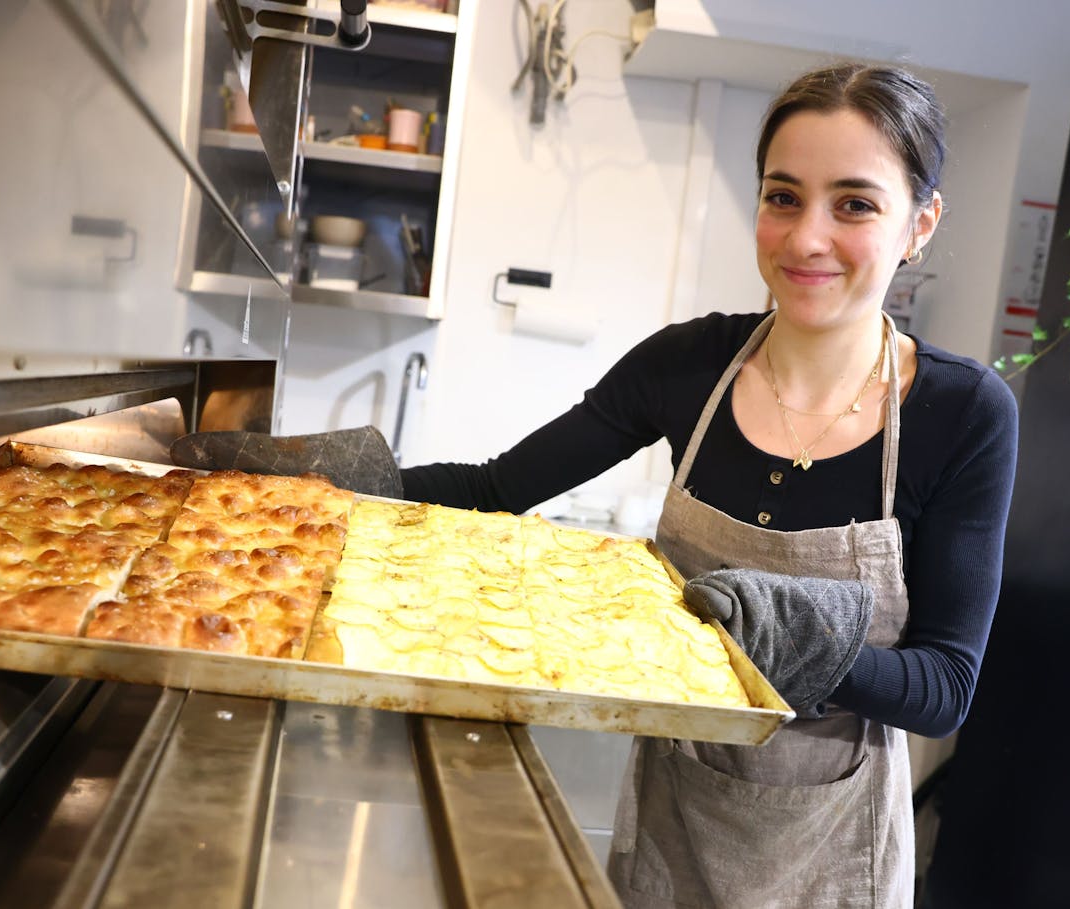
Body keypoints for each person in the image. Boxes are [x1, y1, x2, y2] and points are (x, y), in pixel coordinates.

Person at [401, 62, 1018, 909]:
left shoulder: (963, 411)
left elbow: (944, 687)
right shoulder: (686, 364)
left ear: (920, 223)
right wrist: (298, 474)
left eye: (855, 203)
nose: (806, 237)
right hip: (671, 820)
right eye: (783, 196)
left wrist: (792, 637)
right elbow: (496, 486)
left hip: (834, 858)